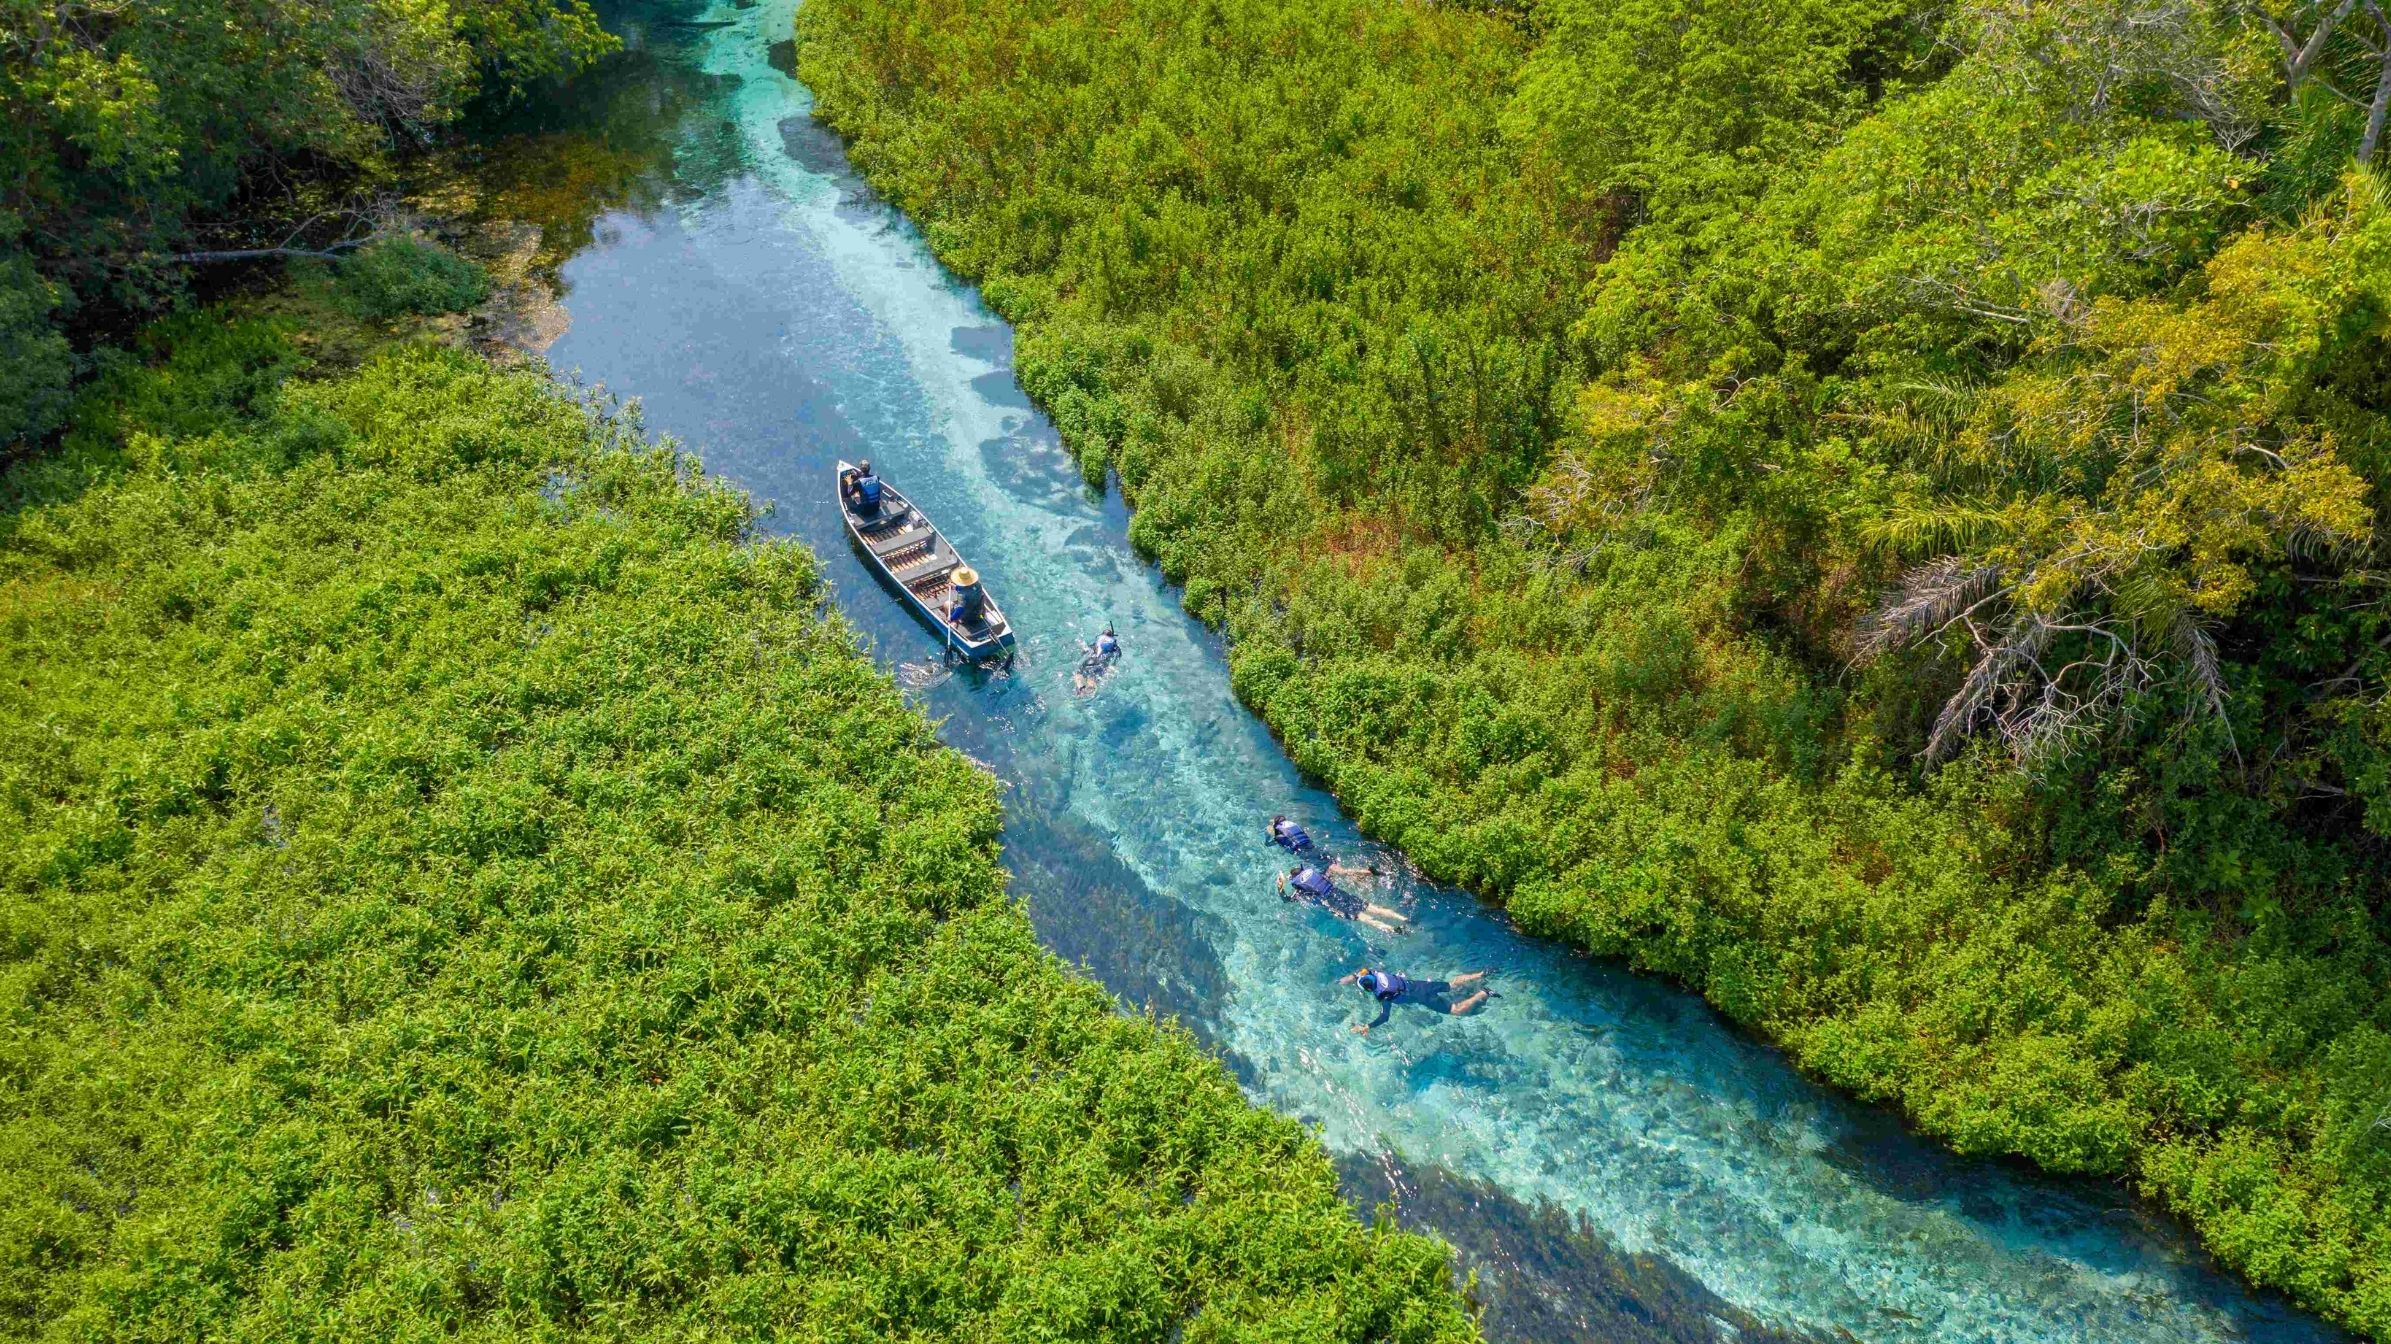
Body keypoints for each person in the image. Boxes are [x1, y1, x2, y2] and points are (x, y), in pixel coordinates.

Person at [1339, 967, 1490, 1033]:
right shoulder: (1373, 973)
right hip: (1421, 985)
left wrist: (1368, 1026)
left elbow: (1384, 1017)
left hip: (1423, 998)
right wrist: (1353, 977)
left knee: (1455, 1010)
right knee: (1452, 984)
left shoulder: (1384, 995)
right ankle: (1481, 974)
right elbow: (1362, 973)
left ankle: (1483, 993)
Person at [1278, 864, 1408, 935]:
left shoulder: (1300, 890)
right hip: (1339, 893)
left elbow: (1287, 900)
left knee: (1364, 918)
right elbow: (1330, 873)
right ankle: (1404, 918)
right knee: (1372, 907)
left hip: (1333, 902)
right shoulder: (1320, 876)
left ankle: (1393, 930)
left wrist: (1280, 889)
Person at [1073, 625, 1121, 694]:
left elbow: (1084, 651)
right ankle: (1087, 692)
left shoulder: (1096, 643)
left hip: (1088, 662)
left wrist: (1082, 646)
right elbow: (1116, 659)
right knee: (1092, 680)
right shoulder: (1115, 647)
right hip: (1100, 664)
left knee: (1078, 675)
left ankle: (1080, 688)